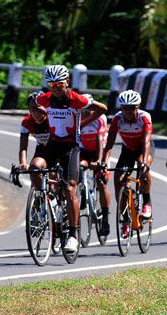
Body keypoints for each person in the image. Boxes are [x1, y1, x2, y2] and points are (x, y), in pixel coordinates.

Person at [35, 64, 108, 253]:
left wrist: (81, 123)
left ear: (67, 82)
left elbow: (102, 109)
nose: (55, 88)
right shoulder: (45, 98)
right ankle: (40, 202)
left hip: (71, 147)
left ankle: (74, 235)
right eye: (51, 85)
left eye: (59, 85)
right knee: (36, 168)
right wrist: (44, 115)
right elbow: (35, 105)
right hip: (52, 144)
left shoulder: (76, 99)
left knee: (69, 189)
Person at [104, 90, 153, 238]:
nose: (128, 111)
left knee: (142, 167)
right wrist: (104, 162)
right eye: (125, 108)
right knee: (118, 178)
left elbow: (146, 141)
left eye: (132, 108)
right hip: (127, 150)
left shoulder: (144, 117)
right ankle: (125, 218)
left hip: (143, 149)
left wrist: (144, 162)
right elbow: (110, 143)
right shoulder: (118, 119)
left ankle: (146, 202)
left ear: (138, 107)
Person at [79, 94, 111, 236]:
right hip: (84, 150)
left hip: (100, 151)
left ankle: (105, 217)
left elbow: (99, 138)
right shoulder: (77, 118)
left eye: (89, 109)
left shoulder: (100, 118)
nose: (87, 112)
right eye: (84, 109)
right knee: (78, 167)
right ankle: (82, 191)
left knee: (102, 182)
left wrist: (98, 161)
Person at [18, 91, 50, 189]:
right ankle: (39, 197)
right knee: (34, 171)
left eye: (38, 108)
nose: (35, 112)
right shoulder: (26, 122)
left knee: (55, 174)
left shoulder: (52, 119)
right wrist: (23, 163)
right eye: (32, 109)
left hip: (57, 147)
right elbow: (23, 147)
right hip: (42, 148)